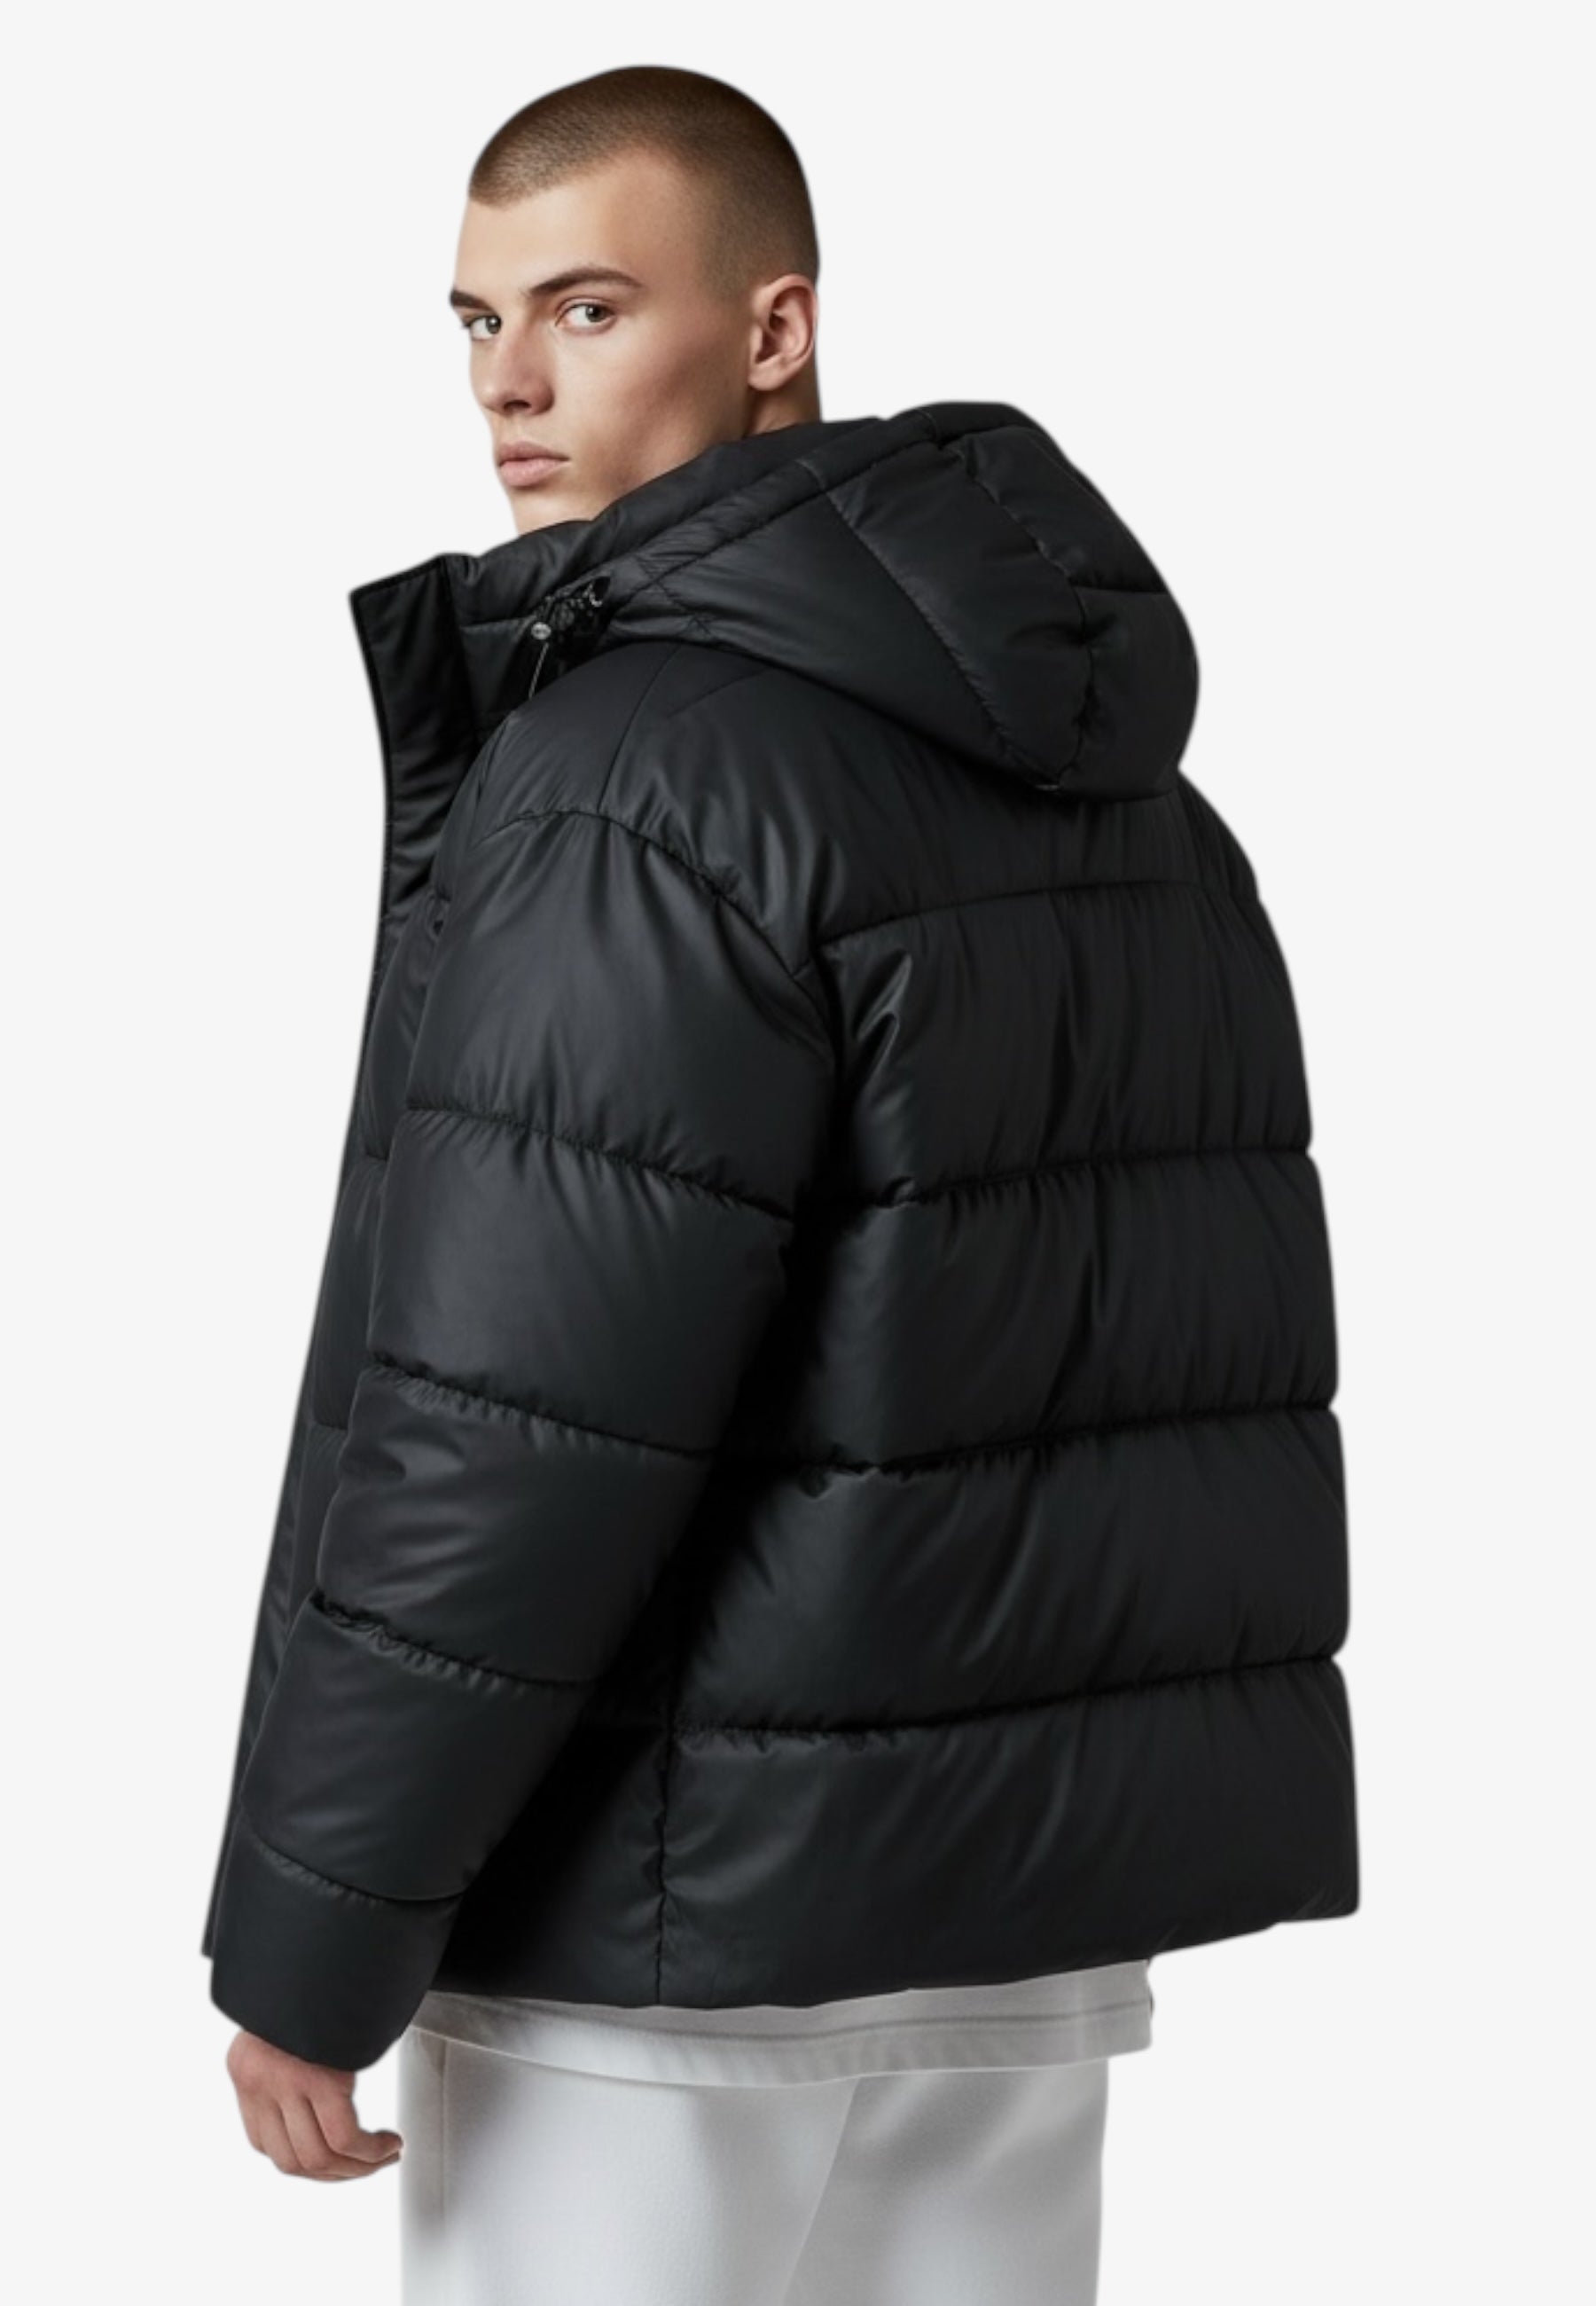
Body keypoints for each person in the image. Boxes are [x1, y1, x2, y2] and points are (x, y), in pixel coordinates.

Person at [200, 61, 1358, 2306]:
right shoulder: (1131, 801)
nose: (511, 383)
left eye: (587, 306)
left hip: (659, 1934)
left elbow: (510, 1418)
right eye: (476, 321)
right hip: (1015, 1940)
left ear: (774, 327)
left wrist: (315, 1933)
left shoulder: (631, 773)